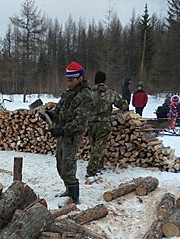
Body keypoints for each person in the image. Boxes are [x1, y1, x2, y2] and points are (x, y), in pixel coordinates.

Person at [43, 61, 94, 204]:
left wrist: (62, 130)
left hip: (72, 135)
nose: (69, 83)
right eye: (68, 80)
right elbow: (60, 111)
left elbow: (80, 122)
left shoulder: (85, 96)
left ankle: (74, 197)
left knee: (68, 165)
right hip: (63, 134)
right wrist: (51, 115)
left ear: (80, 78)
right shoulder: (68, 94)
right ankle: (68, 189)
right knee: (60, 163)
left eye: (71, 80)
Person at [87, 71, 128, 177]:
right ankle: (91, 169)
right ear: (104, 80)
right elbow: (122, 104)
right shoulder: (110, 93)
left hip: (90, 123)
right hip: (104, 123)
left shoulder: (88, 93)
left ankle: (99, 165)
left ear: (95, 81)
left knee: (94, 146)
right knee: (99, 147)